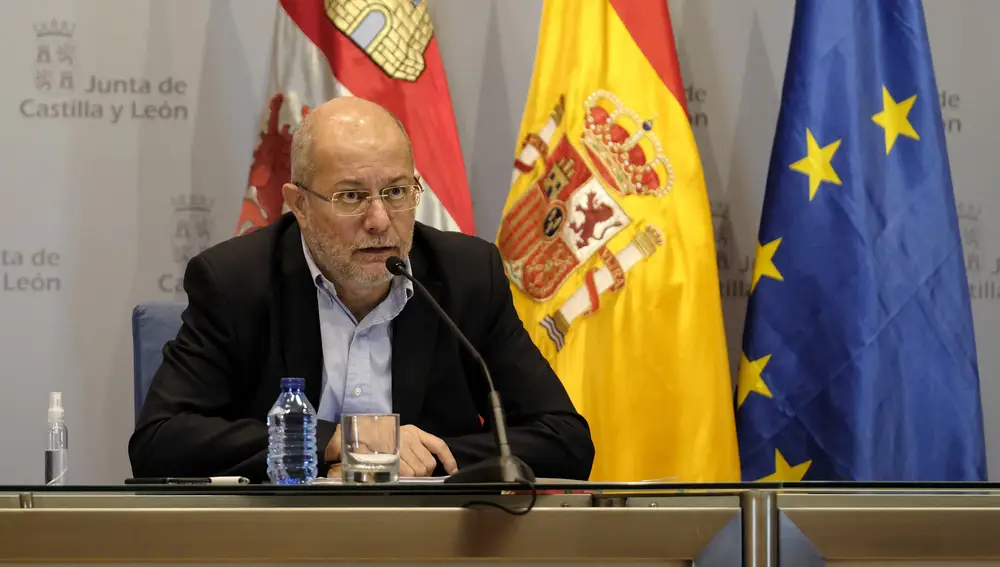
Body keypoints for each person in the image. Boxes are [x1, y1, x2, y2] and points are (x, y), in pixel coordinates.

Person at [128, 96, 595, 482]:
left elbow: (563, 438)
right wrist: (336, 441)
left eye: (396, 192)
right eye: (351, 196)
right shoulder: (236, 282)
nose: (378, 221)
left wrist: (417, 456)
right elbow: (161, 441)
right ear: (299, 206)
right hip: (282, 545)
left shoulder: (466, 276)